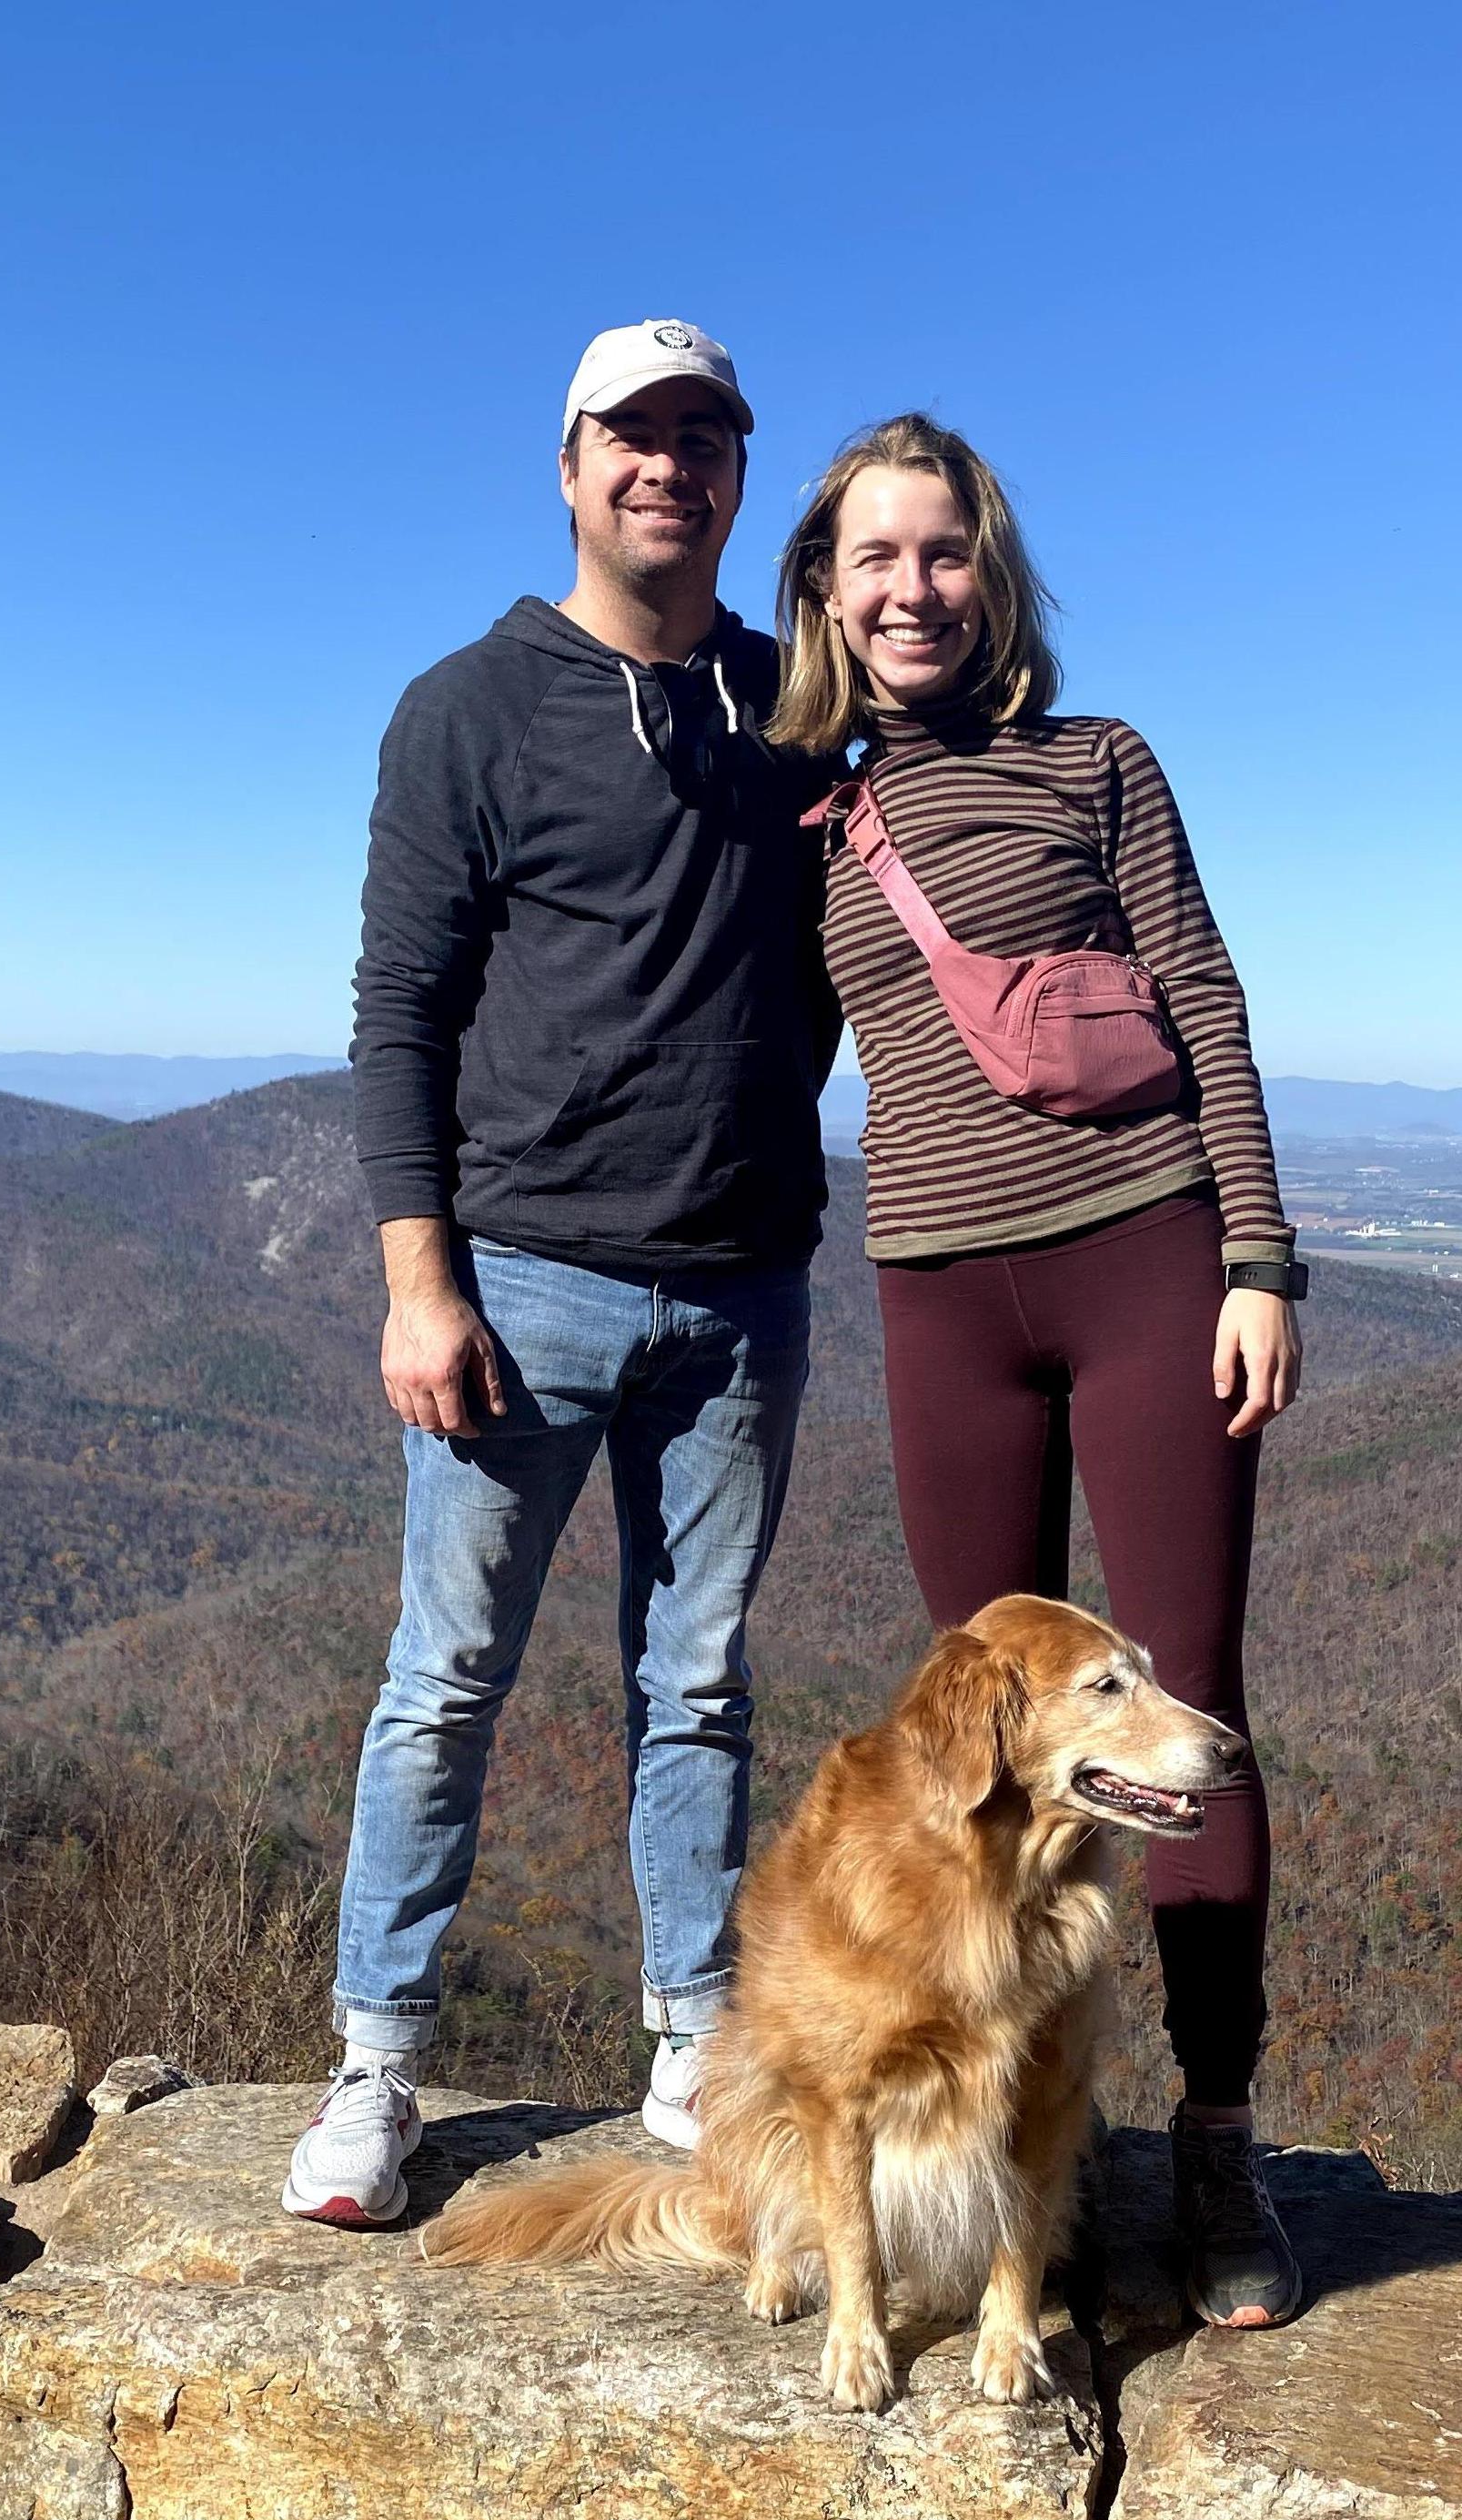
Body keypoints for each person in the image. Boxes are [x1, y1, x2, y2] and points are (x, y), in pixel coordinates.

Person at [285, 321, 838, 2228]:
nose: (666, 468)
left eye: (703, 438)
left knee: (695, 1682)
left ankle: (692, 2033)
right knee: (445, 1679)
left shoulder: (792, 710)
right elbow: (397, 1012)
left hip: (740, 1288)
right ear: (567, 461)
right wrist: (416, 1279)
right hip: (517, 1282)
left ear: (735, 475)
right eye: (632, 436)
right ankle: (376, 2064)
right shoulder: (468, 707)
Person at [772, 414, 1308, 2328]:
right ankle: (1015, 2155)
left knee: (1184, 1711)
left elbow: (1203, 993)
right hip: (935, 1299)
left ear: (988, 575)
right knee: (978, 1739)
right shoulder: (812, 809)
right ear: (824, 595)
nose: (909, 589)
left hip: (1147, 1254)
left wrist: (1254, 1251)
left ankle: (1219, 2157)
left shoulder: (1097, 765)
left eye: (942, 552)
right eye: (872, 559)